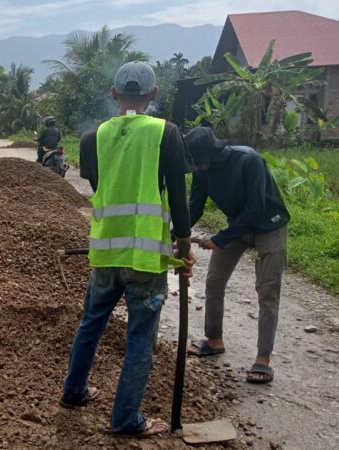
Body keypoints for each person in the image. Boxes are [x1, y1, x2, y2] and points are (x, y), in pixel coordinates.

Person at [61, 61, 194, 437]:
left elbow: (101, 183)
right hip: (146, 256)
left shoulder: (91, 139)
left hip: (105, 251)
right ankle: (125, 420)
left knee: (91, 323)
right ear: (153, 95)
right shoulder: (166, 133)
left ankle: (73, 392)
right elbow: (179, 199)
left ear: (114, 93)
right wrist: (183, 245)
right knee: (139, 338)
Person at [184, 127, 289, 384]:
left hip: (269, 225)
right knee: (214, 281)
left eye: (201, 161)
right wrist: (177, 232)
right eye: (195, 163)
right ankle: (214, 339)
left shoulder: (249, 160)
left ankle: (263, 358)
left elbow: (256, 208)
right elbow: (195, 207)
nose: (200, 166)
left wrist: (219, 239)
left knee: (267, 291)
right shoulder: (202, 171)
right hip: (237, 226)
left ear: (214, 152)